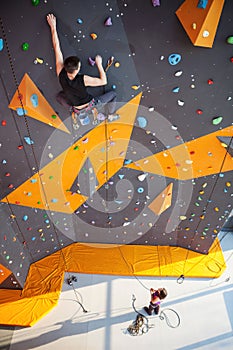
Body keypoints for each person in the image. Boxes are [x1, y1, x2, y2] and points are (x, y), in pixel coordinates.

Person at [46, 13, 118, 127]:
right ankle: (110, 114)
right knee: (113, 94)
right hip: (90, 105)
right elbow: (103, 81)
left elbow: (56, 47)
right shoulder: (82, 79)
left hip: (76, 107)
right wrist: (99, 64)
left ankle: (76, 111)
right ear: (76, 70)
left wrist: (53, 27)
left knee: (60, 96)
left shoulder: (60, 71)